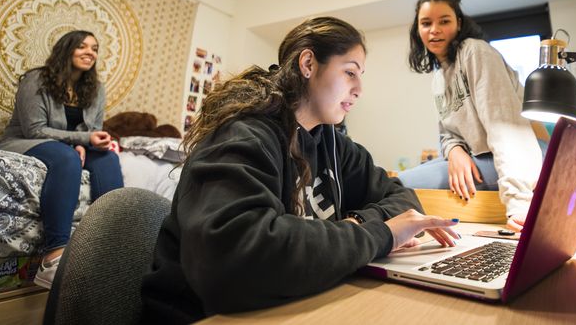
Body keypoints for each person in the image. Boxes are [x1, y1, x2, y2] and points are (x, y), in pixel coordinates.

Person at [141, 17, 460, 323]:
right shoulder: (243, 134)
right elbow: (236, 260)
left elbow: (403, 200)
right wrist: (381, 234)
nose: (359, 88)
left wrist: (359, 221)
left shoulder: (332, 143)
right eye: (350, 73)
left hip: (293, 303)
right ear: (308, 64)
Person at [397, 0, 543, 231]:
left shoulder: (476, 52)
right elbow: (447, 133)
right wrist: (455, 151)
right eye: (426, 23)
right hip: (482, 157)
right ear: (418, 30)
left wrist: (519, 203)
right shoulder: (439, 77)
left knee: (401, 185)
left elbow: (504, 126)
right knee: (398, 181)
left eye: (444, 21)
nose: (434, 29)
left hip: (523, 154)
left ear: (459, 24)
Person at [0, 30, 123, 289]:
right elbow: (35, 129)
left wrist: (86, 142)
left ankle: (109, 248)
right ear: (66, 49)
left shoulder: (96, 89)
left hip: (70, 145)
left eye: (95, 48)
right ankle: (53, 257)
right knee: (66, 160)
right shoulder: (36, 79)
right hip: (26, 141)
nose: (90, 52)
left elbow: (92, 128)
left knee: (108, 159)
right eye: (82, 46)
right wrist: (80, 141)